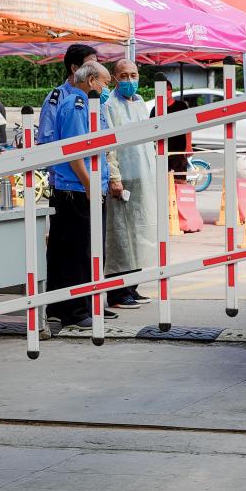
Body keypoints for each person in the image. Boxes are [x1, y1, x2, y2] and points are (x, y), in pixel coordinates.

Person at [44, 60, 114, 329]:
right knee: (78, 252)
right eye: (106, 83)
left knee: (82, 250)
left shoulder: (90, 105)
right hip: (76, 189)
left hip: (85, 186)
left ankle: (77, 305)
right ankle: (74, 310)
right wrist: (88, 184)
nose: (107, 89)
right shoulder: (76, 106)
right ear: (92, 80)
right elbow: (75, 152)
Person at [104, 59, 157, 309]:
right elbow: (109, 147)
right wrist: (114, 177)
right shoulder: (109, 105)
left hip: (142, 177)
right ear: (114, 78)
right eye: (123, 75)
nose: (129, 80)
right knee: (120, 236)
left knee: (139, 234)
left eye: (133, 75)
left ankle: (132, 286)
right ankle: (117, 292)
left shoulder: (140, 103)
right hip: (123, 179)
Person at [149, 82, 191, 181]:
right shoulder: (155, 109)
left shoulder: (181, 106)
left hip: (179, 151)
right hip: (161, 152)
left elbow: (188, 127)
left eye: (168, 89)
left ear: (171, 91)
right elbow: (150, 131)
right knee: (162, 181)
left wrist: (188, 146)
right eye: (163, 90)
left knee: (180, 181)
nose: (165, 92)